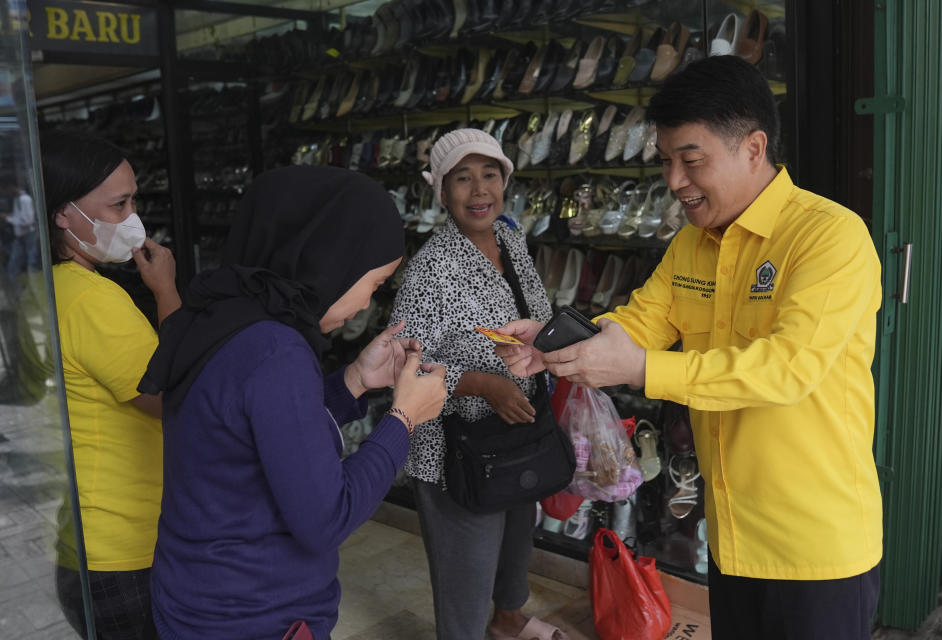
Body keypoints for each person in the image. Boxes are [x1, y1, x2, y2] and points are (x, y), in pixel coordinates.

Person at [496, 56, 883, 640]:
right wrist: (557, 344)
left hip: (815, 547)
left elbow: (788, 369)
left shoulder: (829, 237)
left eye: (691, 160)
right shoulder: (694, 244)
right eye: (667, 161)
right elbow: (643, 320)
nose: (675, 181)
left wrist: (644, 369)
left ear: (754, 148)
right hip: (730, 538)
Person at [142, 165, 447, 640]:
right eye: (372, 282)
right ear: (333, 262)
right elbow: (326, 517)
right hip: (251, 616)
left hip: (201, 595)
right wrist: (405, 419)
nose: (368, 304)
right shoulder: (276, 349)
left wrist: (353, 381)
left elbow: (260, 430)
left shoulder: (229, 315)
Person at [389, 128, 566, 640]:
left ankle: (508, 621)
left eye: (490, 174)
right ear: (442, 193)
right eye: (462, 179)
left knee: (514, 541)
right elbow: (404, 365)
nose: (479, 190)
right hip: (455, 449)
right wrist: (483, 384)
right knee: (465, 568)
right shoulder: (430, 269)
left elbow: (537, 314)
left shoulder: (512, 241)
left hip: (516, 429)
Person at [40, 131, 181, 639]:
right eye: (119, 204)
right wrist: (166, 293)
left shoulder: (44, 285)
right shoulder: (93, 300)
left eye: (134, 200)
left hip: (82, 537)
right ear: (64, 213)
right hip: (121, 544)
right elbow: (174, 395)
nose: (132, 218)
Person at [3, 178, 40, 291]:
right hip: (21, 237)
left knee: (31, 264)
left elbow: (27, 221)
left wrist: (8, 219)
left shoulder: (25, 199)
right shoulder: (17, 199)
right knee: (14, 265)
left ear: (11, 187)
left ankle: (34, 289)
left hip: (28, 235)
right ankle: (19, 289)